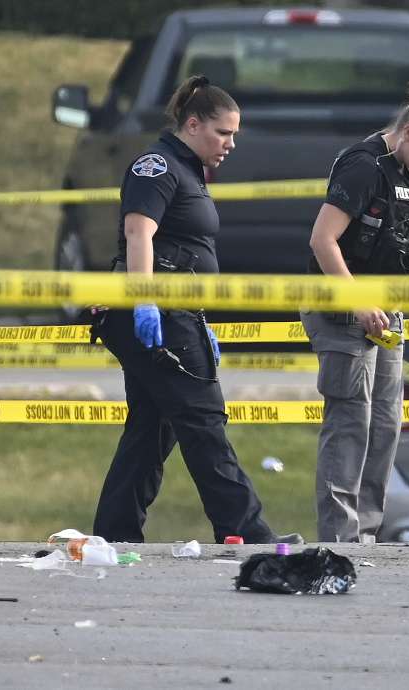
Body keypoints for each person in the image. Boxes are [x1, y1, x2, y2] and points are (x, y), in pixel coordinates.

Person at [91, 74, 300, 545]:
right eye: (223, 133)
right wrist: (144, 298)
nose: (230, 144)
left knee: (152, 428)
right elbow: (138, 233)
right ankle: (245, 530)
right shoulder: (157, 166)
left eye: (234, 135)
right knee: (203, 419)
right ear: (192, 124)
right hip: (159, 311)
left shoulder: (187, 169)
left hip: (177, 311)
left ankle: (116, 533)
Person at [303, 73, 409, 543]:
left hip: (388, 313)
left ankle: (368, 532)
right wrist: (357, 303)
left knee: (386, 423)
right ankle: (340, 538)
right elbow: (322, 240)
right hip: (341, 308)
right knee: (350, 420)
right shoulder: (364, 165)